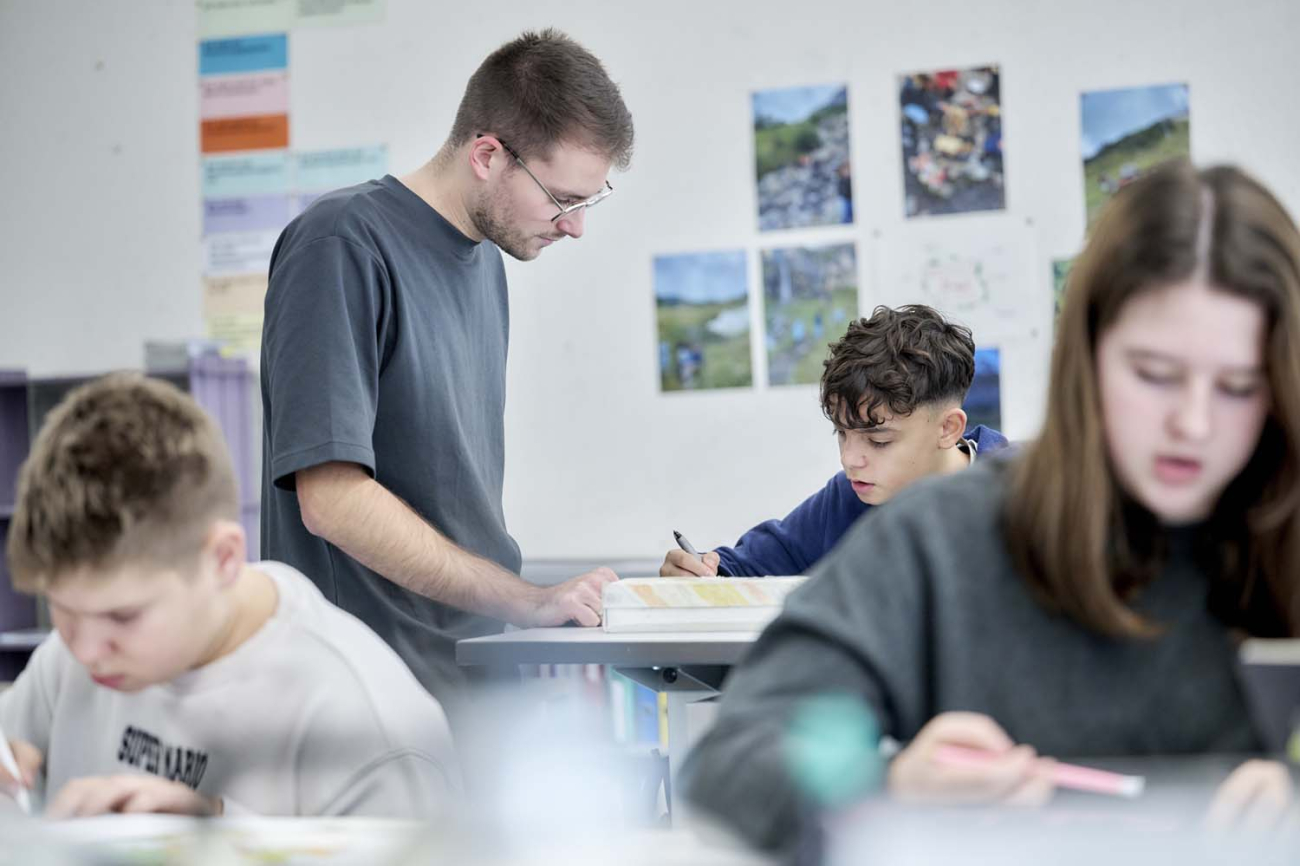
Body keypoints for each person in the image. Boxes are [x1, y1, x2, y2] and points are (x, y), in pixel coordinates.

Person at [681, 161, 1300, 853]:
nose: (1193, 423)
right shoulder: (941, 540)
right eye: (1154, 374)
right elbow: (740, 757)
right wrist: (885, 785)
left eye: (1240, 387)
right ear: (1085, 359)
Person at [259, 30, 634, 712]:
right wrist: (525, 600)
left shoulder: (486, 262)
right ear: (488, 155)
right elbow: (332, 499)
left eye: (589, 202)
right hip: (363, 693)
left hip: (466, 673)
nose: (574, 227)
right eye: (564, 200)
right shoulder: (341, 245)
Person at [0, 375, 457, 818]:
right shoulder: (71, 655)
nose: (85, 650)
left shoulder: (370, 728)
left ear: (222, 559)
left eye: (123, 617)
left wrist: (227, 842)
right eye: (61, 608)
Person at [660, 304, 1009, 577]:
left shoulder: (1029, 500)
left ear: (948, 429)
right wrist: (695, 576)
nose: (849, 459)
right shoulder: (848, 500)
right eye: (842, 433)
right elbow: (740, 572)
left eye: (879, 441)